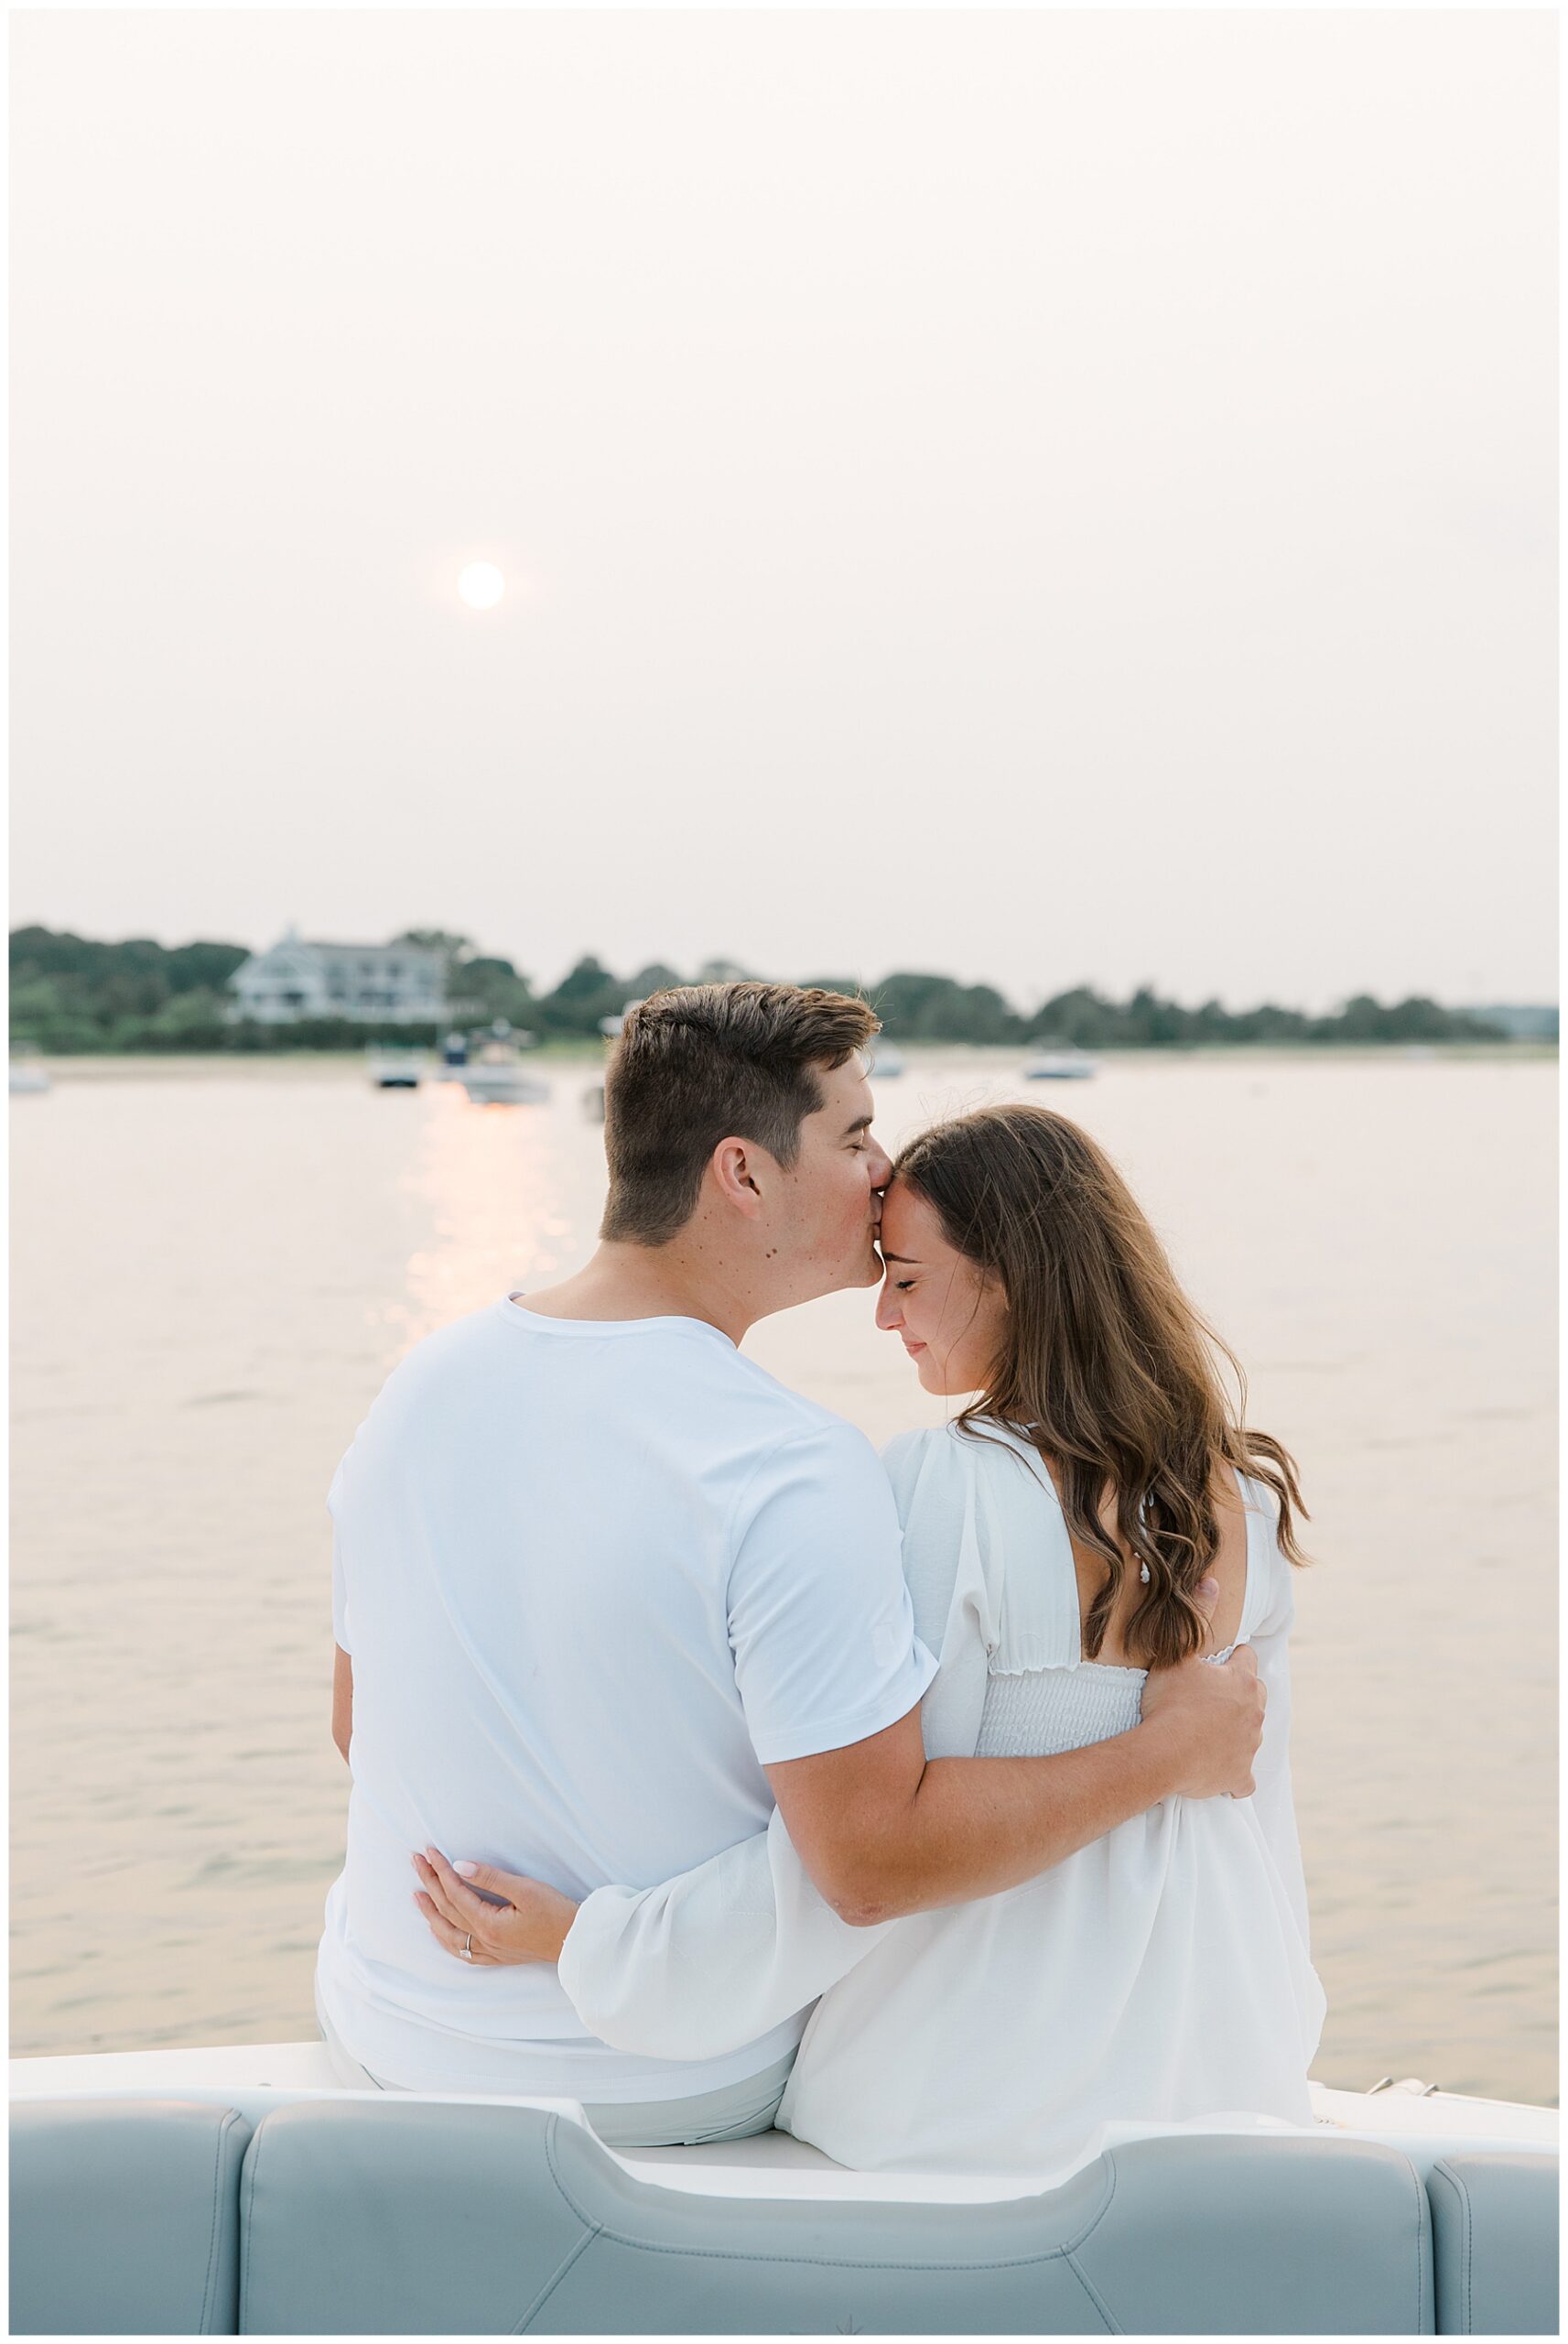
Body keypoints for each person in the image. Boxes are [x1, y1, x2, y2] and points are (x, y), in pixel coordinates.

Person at [319, 985, 1263, 2147]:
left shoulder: (420, 1381)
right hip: (650, 2081)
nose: (881, 1171)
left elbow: (358, 1727)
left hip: (388, 2018)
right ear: (743, 1173)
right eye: (854, 1137)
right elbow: (869, 1865)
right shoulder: (791, 1462)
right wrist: (1171, 1750)